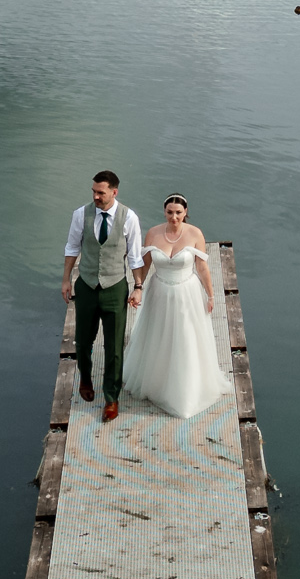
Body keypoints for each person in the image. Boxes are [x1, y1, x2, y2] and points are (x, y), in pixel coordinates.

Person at [121, 194, 229, 418]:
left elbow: (202, 268)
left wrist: (210, 295)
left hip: (186, 292)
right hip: (159, 291)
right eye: (170, 212)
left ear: (185, 212)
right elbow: (145, 264)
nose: (174, 217)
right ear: (164, 212)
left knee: (185, 337)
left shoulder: (195, 234)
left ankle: (185, 390)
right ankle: (157, 382)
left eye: (178, 213)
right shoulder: (153, 233)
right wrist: (137, 287)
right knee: (159, 336)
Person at [61, 171, 146, 422]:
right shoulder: (81, 214)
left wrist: (138, 286)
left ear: (114, 192)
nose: (96, 196)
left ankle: (111, 397)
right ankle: (85, 380)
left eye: (101, 192)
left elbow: (135, 257)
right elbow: (72, 247)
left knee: (114, 346)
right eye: (94, 192)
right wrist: (66, 279)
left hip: (115, 287)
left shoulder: (129, 217)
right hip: (86, 286)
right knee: (83, 341)